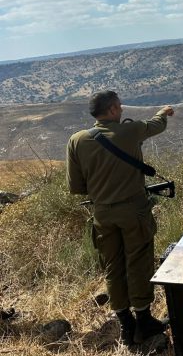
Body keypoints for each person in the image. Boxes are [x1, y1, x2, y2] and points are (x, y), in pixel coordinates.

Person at [66, 91, 175, 346]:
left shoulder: (76, 140)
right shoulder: (130, 131)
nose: (122, 110)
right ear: (113, 110)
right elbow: (156, 125)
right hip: (133, 211)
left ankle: (126, 325)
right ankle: (144, 320)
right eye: (119, 106)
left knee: (113, 268)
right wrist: (163, 112)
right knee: (138, 262)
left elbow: (77, 186)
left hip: (102, 214)